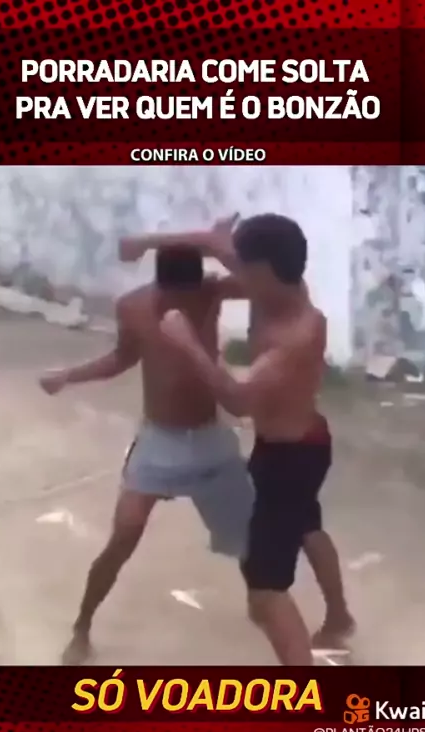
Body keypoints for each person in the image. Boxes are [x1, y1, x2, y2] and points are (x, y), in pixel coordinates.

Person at [132, 214, 355, 665]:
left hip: (289, 459)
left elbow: (238, 400)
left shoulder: (295, 335)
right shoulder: (281, 285)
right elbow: (213, 243)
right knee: (306, 524)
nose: (236, 278)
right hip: (301, 443)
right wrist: (146, 241)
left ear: (266, 270)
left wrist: (188, 343)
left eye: (245, 271)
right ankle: (339, 616)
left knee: (267, 590)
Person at [39, 244, 255, 664]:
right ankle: (82, 627)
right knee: (124, 535)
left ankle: (260, 601)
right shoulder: (133, 306)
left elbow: (260, 282)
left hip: (210, 438)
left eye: (193, 294)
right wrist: (68, 376)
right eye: (178, 297)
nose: (185, 304)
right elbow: (121, 357)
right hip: (159, 442)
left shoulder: (211, 292)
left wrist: (212, 241)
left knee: (248, 537)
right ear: (161, 287)